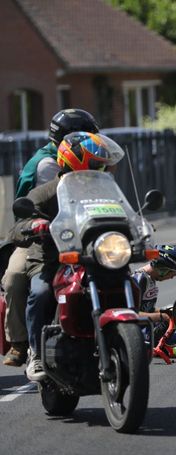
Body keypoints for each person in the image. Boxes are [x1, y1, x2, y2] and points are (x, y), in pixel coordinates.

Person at [10, 131, 124, 381]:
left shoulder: (106, 190)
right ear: (75, 161)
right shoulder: (47, 192)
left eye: (102, 163)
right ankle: (36, 354)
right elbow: (17, 226)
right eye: (96, 163)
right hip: (54, 259)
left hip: (97, 256)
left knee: (133, 280)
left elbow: (124, 213)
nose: (102, 167)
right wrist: (34, 225)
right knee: (39, 293)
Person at [2, 109, 99, 367]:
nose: (91, 144)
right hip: (40, 236)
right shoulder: (49, 165)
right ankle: (22, 345)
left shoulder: (92, 166)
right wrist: (37, 225)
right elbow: (51, 205)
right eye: (84, 137)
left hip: (81, 236)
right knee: (16, 279)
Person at [133, 245, 176, 344]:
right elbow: (131, 314)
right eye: (173, 273)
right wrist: (163, 316)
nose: (172, 277)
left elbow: (146, 309)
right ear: (163, 269)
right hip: (142, 336)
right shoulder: (140, 280)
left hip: (150, 327)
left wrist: (168, 311)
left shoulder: (149, 279)